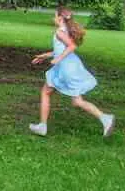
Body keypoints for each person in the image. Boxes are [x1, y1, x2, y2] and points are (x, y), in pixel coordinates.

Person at [30, 7, 115, 137]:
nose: (52, 19)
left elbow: (71, 46)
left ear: (60, 18)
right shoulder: (65, 30)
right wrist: (45, 56)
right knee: (59, 96)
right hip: (69, 67)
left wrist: (58, 58)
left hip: (66, 69)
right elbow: (61, 49)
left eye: (54, 16)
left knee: (64, 98)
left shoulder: (60, 32)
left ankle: (105, 118)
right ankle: (42, 125)